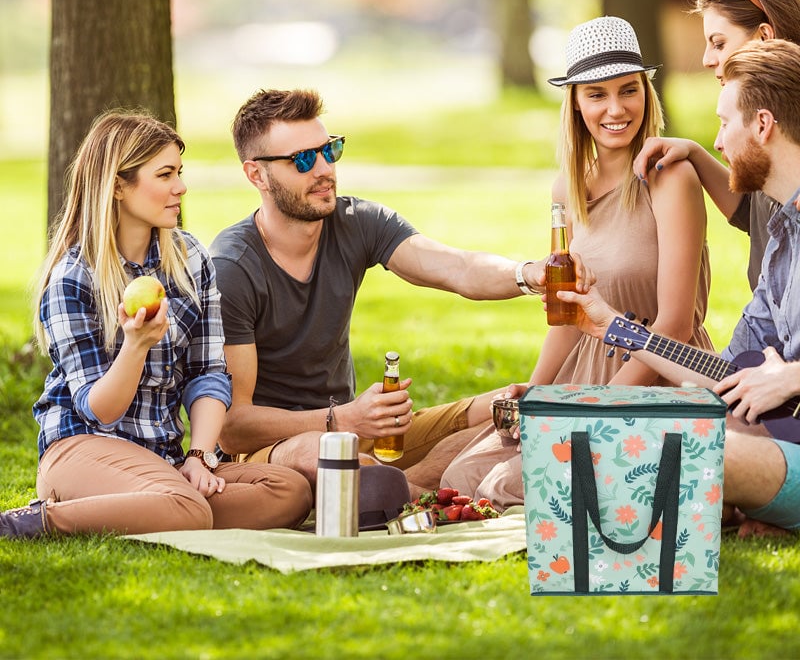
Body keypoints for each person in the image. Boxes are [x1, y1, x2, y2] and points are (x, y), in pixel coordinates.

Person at [209, 88, 594, 493]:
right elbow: (232, 428)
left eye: (329, 150)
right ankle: (414, 494)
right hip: (272, 452)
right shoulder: (233, 268)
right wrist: (340, 420)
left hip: (356, 430)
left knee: (509, 409)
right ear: (256, 174)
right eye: (303, 159)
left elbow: (457, 267)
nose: (324, 169)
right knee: (322, 453)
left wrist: (529, 273)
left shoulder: (356, 221)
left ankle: (395, 488)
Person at [440, 16, 713, 508]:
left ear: (646, 93)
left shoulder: (671, 178)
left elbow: (675, 325)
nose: (616, 109)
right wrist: (536, 393)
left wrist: (594, 413)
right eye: (596, 94)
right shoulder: (567, 189)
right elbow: (566, 313)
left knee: (505, 486)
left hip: (656, 375)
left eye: (628, 90)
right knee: (463, 475)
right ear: (576, 103)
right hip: (581, 375)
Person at [0, 111, 312, 539]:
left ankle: (164, 509)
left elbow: (208, 374)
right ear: (117, 186)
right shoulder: (74, 277)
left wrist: (199, 457)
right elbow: (98, 411)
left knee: (290, 491)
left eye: (179, 172)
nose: (180, 187)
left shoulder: (190, 259)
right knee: (187, 509)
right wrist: (135, 346)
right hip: (82, 449)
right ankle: (33, 521)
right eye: (165, 175)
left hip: (162, 459)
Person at [563, 38, 800, 536]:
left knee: (668, 451)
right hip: (779, 442)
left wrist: (793, 378)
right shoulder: (781, 238)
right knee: (643, 433)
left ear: (762, 125)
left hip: (777, 449)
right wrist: (611, 325)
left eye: (724, 123)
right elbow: (721, 373)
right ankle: (755, 508)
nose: (716, 142)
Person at [633, 0, 800, 291]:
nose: (708, 59)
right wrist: (694, 153)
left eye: (719, 43)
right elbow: (755, 214)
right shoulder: (765, 123)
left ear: (764, 37)